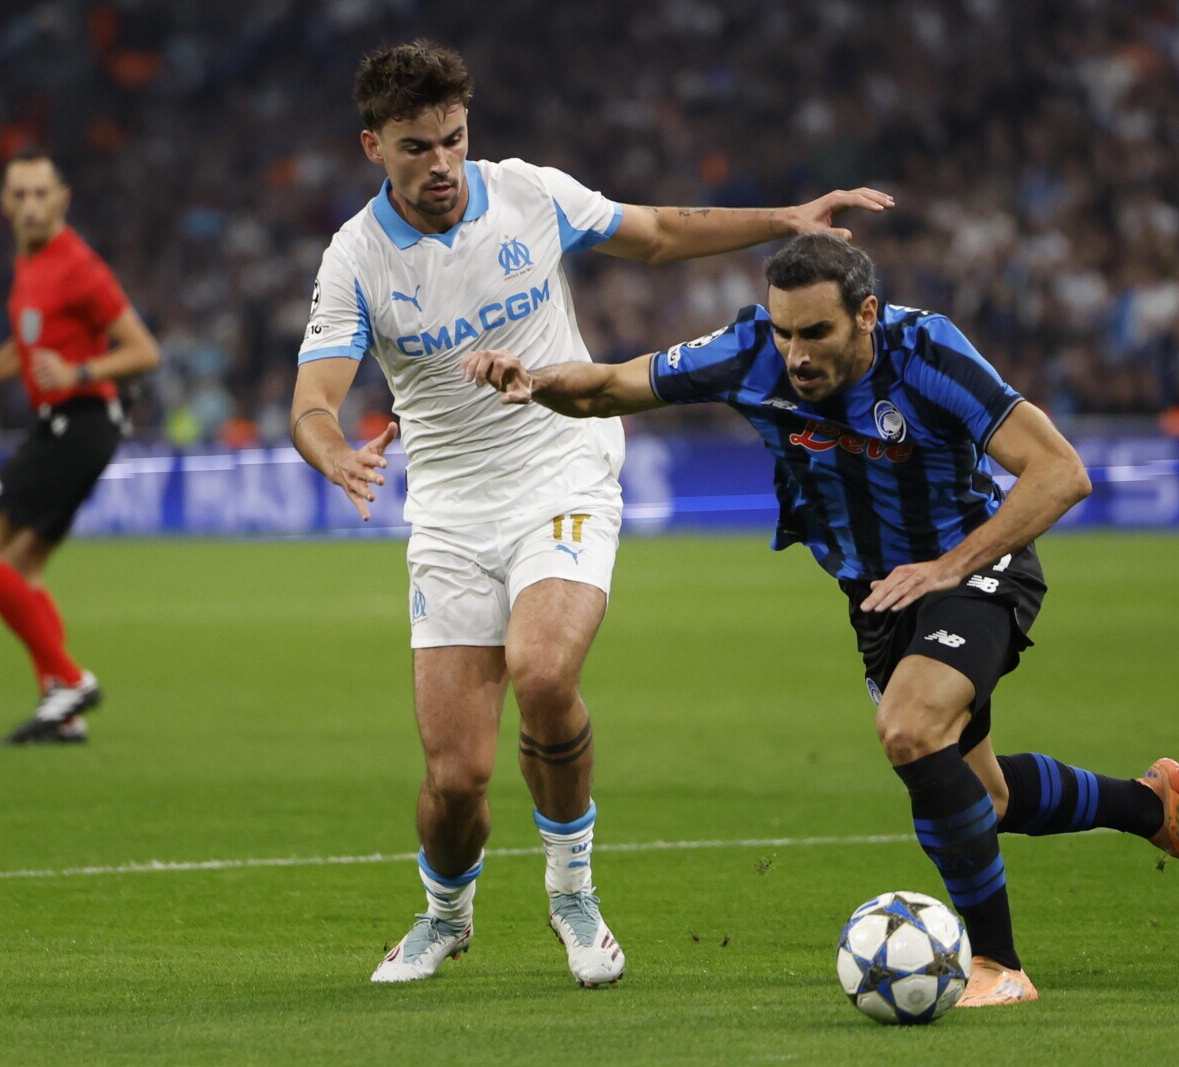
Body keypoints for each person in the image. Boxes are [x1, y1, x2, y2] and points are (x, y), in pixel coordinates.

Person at [463, 233, 1179, 1006]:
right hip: (878, 597)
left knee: (910, 728)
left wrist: (950, 566)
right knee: (983, 797)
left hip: (974, 565)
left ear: (866, 314)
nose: (795, 354)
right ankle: (1151, 804)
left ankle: (1000, 966)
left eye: (815, 332)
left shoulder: (926, 351)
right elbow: (604, 388)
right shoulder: (749, 353)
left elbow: (1061, 471)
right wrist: (534, 379)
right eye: (784, 331)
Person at [289, 42, 892, 988]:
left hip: (562, 473)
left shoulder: (528, 192)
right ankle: (445, 915)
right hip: (450, 513)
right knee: (456, 778)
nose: (442, 163)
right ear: (374, 147)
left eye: (453, 139)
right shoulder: (355, 257)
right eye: (416, 147)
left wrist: (785, 219)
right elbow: (314, 400)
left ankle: (572, 892)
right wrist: (334, 454)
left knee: (543, 669)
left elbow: (653, 232)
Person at [0, 147, 160, 744]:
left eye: (41, 193)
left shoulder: (78, 267)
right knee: (22, 565)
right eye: (20, 195)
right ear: (4, 204)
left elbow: (144, 350)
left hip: (78, 422)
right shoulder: (31, 263)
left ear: (62, 199)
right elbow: (28, 344)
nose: (31, 205)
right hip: (71, 424)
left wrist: (80, 372)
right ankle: (64, 712)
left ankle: (71, 680)